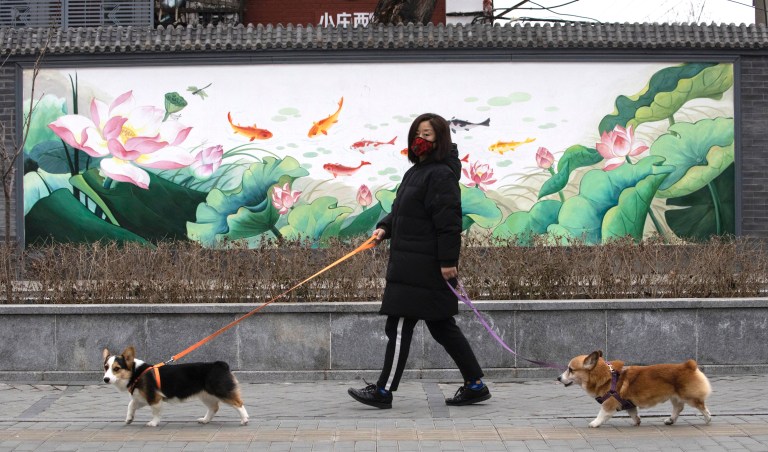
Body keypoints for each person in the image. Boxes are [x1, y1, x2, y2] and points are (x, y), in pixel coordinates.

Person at [347, 113, 491, 409]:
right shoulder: (417, 172)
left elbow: (449, 222)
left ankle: (383, 391)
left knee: (398, 325)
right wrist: (385, 227)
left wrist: (448, 262)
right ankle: (475, 384)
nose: (420, 140)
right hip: (413, 264)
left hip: (421, 267)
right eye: (417, 134)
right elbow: (403, 210)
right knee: (441, 326)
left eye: (427, 135)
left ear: (440, 139)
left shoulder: (440, 174)